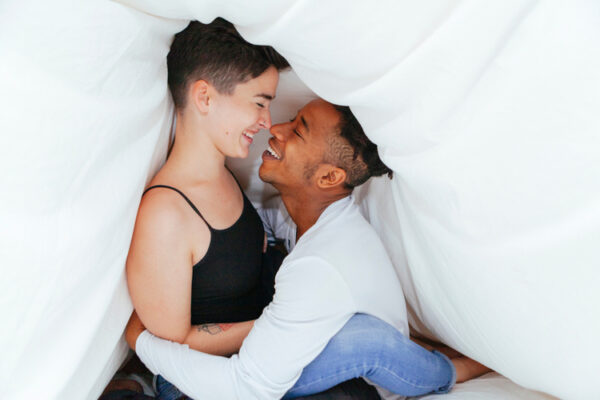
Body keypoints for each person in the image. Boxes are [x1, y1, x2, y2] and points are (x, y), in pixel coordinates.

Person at [125, 92, 490, 398]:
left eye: (298, 131)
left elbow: (245, 387)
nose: (276, 128)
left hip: (350, 388)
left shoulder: (322, 265)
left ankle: (451, 371)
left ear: (329, 177)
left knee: (364, 341)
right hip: (307, 357)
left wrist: (143, 343)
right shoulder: (300, 220)